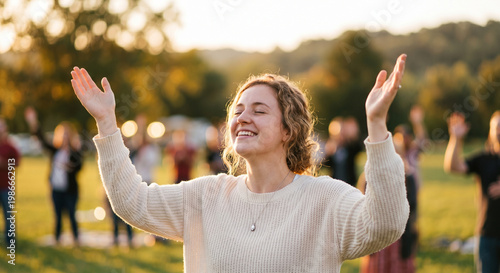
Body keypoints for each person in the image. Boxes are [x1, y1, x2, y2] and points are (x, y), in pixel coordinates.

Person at [70, 54, 409, 272]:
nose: (243, 118)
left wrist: (377, 127)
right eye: (238, 111)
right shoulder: (206, 195)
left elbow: (385, 225)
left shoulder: (326, 198)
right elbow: (133, 203)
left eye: (259, 111)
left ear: (288, 130)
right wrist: (106, 124)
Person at [444, 111, 500, 273]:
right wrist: (456, 139)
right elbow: (453, 166)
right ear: (490, 131)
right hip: (487, 233)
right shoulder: (483, 159)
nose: (499, 130)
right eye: (496, 126)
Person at [359, 129, 419, 273]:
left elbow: (413, 207)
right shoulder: (370, 178)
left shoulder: (408, 178)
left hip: (401, 238)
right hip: (378, 238)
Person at [25, 107, 83, 246]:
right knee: (57, 216)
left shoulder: (74, 152)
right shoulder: (55, 151)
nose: (64, 137)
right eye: (62, 134)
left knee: (71, 215)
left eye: (67, 135)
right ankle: (57, 239)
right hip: (56, 189)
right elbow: (42, 140)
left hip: (70, 190)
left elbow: (80, 166)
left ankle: (76, 239)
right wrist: (33, 122)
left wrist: (71, 167)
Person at [324, 116, 364, 187]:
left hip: (350, 184)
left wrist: (354, 134)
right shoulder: (332, 149)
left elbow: (359, 147)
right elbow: (325, 164)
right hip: (335, 185)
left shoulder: (350, 147)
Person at [0, 118, 21, 246]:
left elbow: (17, 163)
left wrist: (3, 164)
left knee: (8, 215)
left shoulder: (10, 146)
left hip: (6, 187)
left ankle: (10, 242)